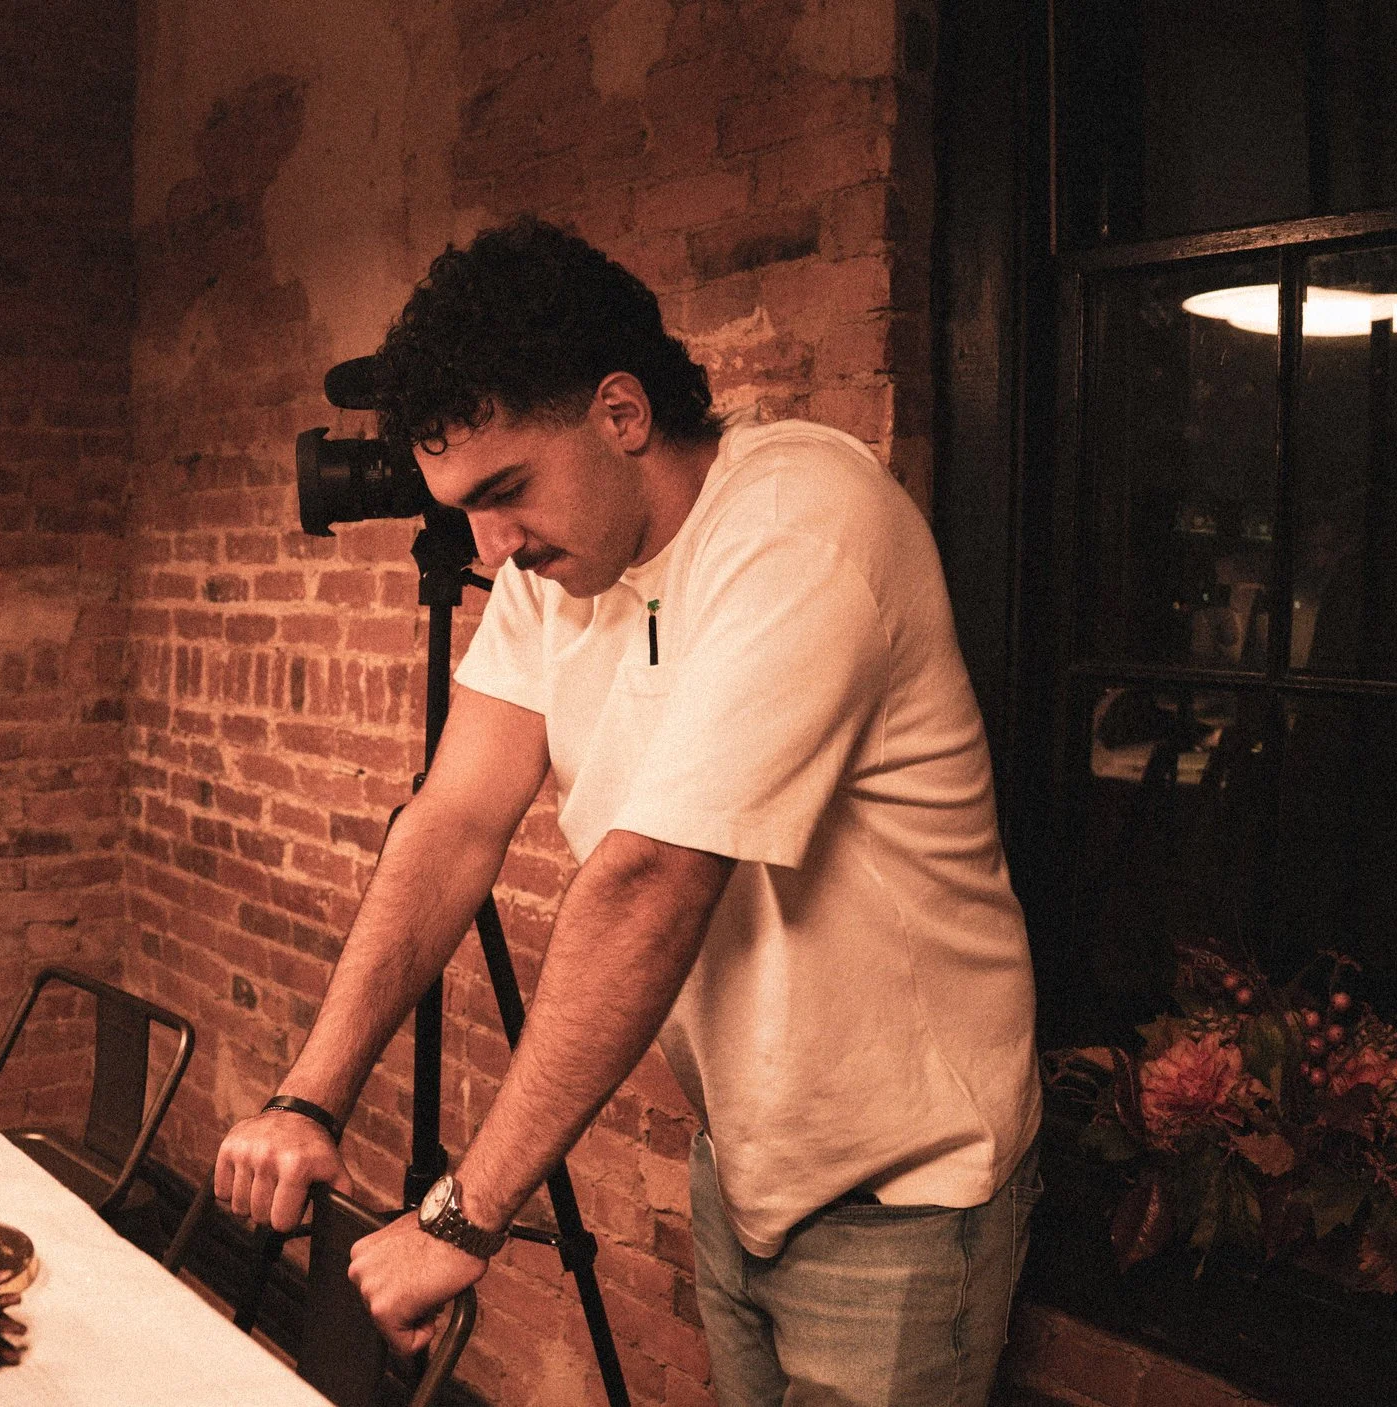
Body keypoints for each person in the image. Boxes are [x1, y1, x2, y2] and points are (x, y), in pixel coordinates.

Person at [214, 219, 1041, 1407]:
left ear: (620, 413)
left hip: (901, 1186)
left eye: (505, 492)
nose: (490, 545)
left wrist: (460, 1217)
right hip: (744, 1161)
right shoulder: (555, 566)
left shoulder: (798, 521)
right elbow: (452, 823)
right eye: (464, 509)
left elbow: (651, 879)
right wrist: (309, 1098)